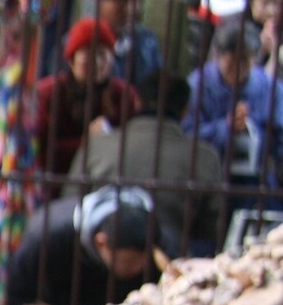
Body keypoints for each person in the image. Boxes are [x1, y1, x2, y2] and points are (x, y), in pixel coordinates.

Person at [71, 71, 225, 254]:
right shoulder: (204, 157)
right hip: (168, 261)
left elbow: (70, 204)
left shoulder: (97, 145)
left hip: (97, 256)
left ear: (137, 102)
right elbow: (210, 232)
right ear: (185, 111)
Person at [5, 187, 159, 305]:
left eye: (147, 260)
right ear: (101, 242)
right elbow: (17, 301)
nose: (141, 268)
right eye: (130, 262)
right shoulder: (47, 236)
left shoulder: (155, 235)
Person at [31, 18, 143, 179]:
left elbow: (134, 144)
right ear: (71, 59)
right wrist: (85, 143)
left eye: (102, 54)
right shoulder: (48, 93)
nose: (96, 62)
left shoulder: (124, 96)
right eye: (88, 53)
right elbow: (38, 149)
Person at [185, 21, 280, 198]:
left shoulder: (270, 88)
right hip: (205, 180)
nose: (238, 68)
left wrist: (251, 130)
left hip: (257, 182)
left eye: (244, 61)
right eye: (231, 61)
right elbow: (186, 134)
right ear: (218, 55)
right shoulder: (197, 85)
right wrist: (226, 127)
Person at [96, 0, 164, 91]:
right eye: (120, 0)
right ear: (99, 3)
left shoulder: (147, 41)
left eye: (134, 0)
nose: (129, 8)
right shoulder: (82, 41)